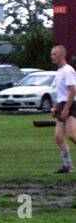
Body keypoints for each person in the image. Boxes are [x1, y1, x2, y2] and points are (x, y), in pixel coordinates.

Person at [49, 45, 76, 173]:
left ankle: (68, 166)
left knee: (71, 135)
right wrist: (55, 107)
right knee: (58, 137)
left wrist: (66, 109)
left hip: (70, 104)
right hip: (61, 105)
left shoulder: (67, 70)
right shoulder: (59, 72)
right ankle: (67, 166)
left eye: (54, 54)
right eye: (52, 54)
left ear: (62, 55)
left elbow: (72, 91)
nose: (52, 56)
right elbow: (59, 92)